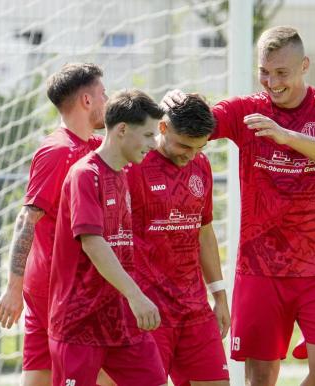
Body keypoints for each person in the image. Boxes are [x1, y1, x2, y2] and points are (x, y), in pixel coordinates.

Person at [165, 25, 315, 386]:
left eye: (281, 72)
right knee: (261, 377)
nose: (272, 82)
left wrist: (285, 135)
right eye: (264, 72)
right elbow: (196, 122)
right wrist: (175, 103)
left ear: (304, 66)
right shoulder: (246, 110)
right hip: (260, 267)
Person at [0, 62, 111, 386]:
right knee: (111, 375)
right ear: (87, 101)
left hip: (67, 289)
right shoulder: (58, 151)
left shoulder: (92, 148)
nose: (108, 99)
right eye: (103, 93)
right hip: (59, 292)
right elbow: (26, 219)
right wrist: (14, 289)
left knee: (41, 376)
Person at [48, 89, 167, 386]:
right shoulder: (85, 175)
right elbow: (93, 243)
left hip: (121, 320)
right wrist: (137, 296)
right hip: (80, 323)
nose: (155, 144)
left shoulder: (122, 174)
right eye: (150, 135)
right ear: (123, 130)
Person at [127, 94, 229, 386]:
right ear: (162, 128)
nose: (191, 155)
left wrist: (219, 296)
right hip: (147, 310)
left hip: (195, 308)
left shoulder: (202, 165)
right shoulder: (133, 164)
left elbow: (204, 231)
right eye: (184, 145)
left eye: (200, 147)